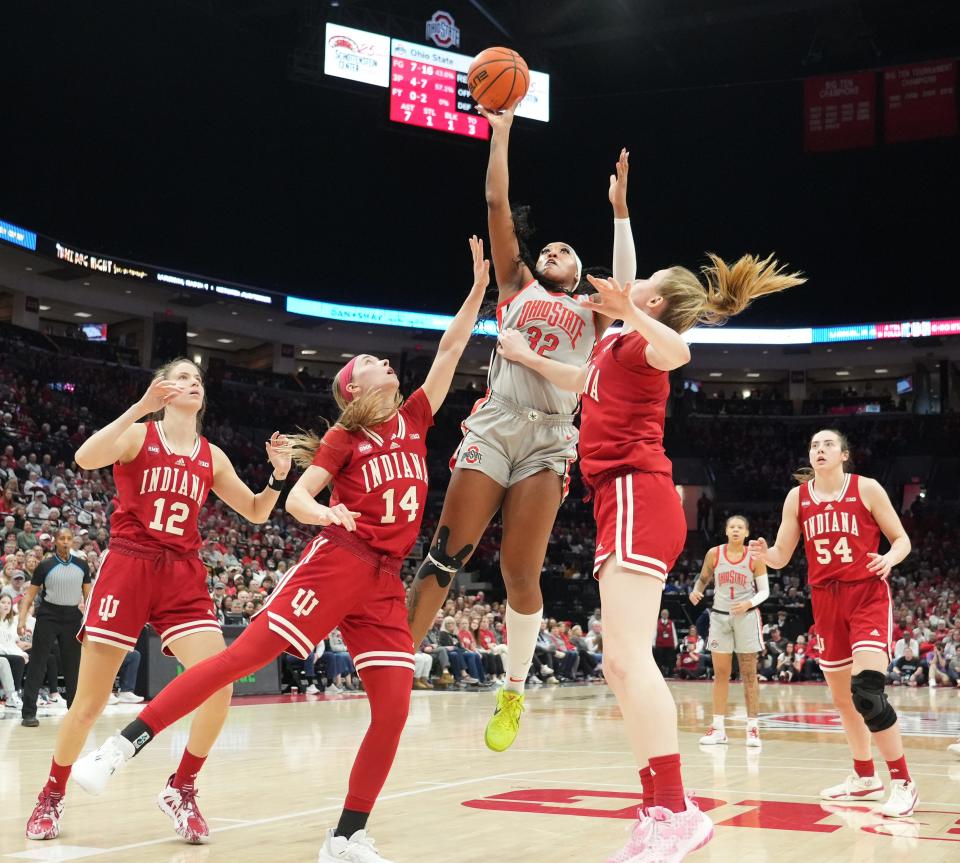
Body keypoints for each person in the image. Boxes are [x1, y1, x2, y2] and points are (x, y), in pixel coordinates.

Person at [71, 237, 489, 863]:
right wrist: (327, 510)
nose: (389, 366)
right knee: (242, 658)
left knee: (395, 709)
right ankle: (124, 744)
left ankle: (346, 834)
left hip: (384, 579)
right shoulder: (345, 437)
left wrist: (478, 289)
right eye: (374, 362)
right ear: (352, 389)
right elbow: (298, 502)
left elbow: (452, 348)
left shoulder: (416, 417)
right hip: (339, 560)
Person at [496, 147, 804, 861]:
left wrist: (631, 300)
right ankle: (655, 808)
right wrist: (527, 353)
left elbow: (681, 352)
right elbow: (579, 378)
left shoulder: (645, 344)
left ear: (653, 303)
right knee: (615, 663)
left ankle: (679, 809)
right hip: (616, 500)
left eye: (642, 291)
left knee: (631, 658)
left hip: (640, 493)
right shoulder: (614, 347)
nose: (627, 289)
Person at [406, 100, 605, 754]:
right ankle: (396, 659)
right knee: (446, 550)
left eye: (565, 250)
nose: (553, 251)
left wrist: (622, 213)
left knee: (523, 571)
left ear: (579, 273)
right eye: (547, 244)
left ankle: (514, 689)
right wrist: (501, 132)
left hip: (550, 437)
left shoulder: (593, 316)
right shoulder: (516, 285)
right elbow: (498, 203)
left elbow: (627, 284)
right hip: (496, 423)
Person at [25, 358, 292, 843]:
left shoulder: (213, 456)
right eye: (182, 377)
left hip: (181, 573)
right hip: (128, 565)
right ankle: (51, 794)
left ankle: (182, 788)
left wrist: (276, 477)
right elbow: (85, 458)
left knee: (220, 684)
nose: (192, 384)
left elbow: (255, 512)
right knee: (89, 702)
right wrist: (140, 407)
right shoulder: (138, 434)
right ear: (163, 388)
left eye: (198, 380)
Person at [749, 428, 918, 818]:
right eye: (813, 445)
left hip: (866, 595)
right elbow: (781, 555)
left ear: (844, 454)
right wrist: (764, 554)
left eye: (827, 444)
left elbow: (902, 540)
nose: (819, 449)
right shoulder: (798, 497)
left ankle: (904, 782)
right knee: (844, 700)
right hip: (825, 600)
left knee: (868, 693)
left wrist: (889, 559)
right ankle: (864, 777)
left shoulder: (867, 488)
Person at [690, 515, 768, 747]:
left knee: (749, 674)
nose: (735, 530)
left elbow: (764, 591)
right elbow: (703, 578)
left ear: (746, 533)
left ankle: (753, 728)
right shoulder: (714, 554)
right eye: (732, 527)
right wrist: (696, 590)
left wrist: (749, 603)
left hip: (746, 617)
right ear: (726, 531)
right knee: (721, 674)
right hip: (720, 617)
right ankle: (718, 729)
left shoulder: (754, 557)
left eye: (740, 527)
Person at [18, 528, 90, 726]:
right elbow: (30, 596)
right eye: (62, 538)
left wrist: (90, 622)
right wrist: (22, 620)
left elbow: (89, 598)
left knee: (72, 666)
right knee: (38, 663)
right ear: (55, 541)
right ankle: (28, 712)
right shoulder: (45, 566)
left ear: (73, 541)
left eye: (69, 538)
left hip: (73, 618)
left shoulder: (83, 566)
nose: (66, 542)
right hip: (48, 615)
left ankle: (74, 711)